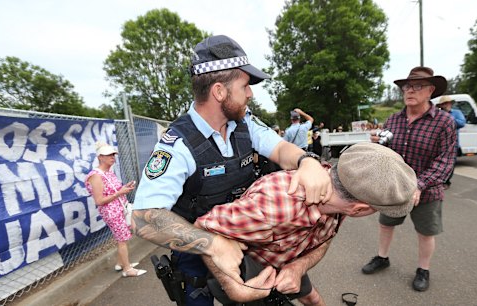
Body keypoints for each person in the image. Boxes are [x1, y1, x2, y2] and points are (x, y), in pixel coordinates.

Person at [132, 35, 331, 305]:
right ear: (219, 91)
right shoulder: (177, 145)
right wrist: (212, 244)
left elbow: (282, 150)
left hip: (246, 240)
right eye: (245, 85)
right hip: (195, 253)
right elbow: (143, 218)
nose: (250, 94)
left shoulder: (245, 124)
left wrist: (307, 162)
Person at [195, 143, 417, 305]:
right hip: (252, 271)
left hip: (288, 258)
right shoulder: (272, 207)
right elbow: (202, 229)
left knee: (311, 298)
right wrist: (234, 288)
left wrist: (297, 267)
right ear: (359, 210)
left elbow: (325, 237)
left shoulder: (343, 193)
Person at [362, 66, 456, 292]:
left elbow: (445, 161)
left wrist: (420, 185)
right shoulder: (393, 120)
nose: (409, 91)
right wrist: (377, 145)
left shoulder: (444, 122)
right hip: (395, 187)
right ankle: (382, 258)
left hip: (428, 189)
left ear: (431, 90)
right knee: (386, 224)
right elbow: (387, 155)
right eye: (407, 86)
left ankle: (423, 269)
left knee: (425, 232)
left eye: (417, 86)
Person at [85, 142, 147, 277]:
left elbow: (112, 191)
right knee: (122, 239)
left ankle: (121, 263)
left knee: (123, 237)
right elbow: (99, 200)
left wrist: (124, 189)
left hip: (120, 209)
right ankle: (127, 269)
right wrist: (120, 192)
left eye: (113, 154)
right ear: (100, 157)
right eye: (108, 155)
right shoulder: (96, 175)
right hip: (111, 212)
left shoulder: (108, 172)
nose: (112, 157)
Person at [435, 96, 466, 189]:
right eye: (444, 103)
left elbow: (462, 123)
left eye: (448, 103)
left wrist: (447, 118)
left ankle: (447, 181)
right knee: (438, 162)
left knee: (451, 163)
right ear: (441, 105)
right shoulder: (438, 114)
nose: (447, 105)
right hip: (438, 142)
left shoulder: (456, 113)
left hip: (453, 142)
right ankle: (438, 181)